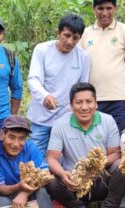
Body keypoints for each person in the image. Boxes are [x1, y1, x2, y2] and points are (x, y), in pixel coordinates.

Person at [46, 82, 125, 208]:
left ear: (96, 104)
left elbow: (115, 153)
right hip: (73, 182)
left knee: (123, 164)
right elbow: (51, 158)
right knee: (50, 180)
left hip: (100, 179)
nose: (84, 107)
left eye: (89, 101)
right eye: (79, 102)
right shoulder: (60, 124)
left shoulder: (107, 121)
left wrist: (96, 165)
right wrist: (62, 174)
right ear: (71, 106)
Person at [27, 14, 90, 156]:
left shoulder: (83, 57)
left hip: (66, 117)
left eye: (75, 38)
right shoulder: (42, 50)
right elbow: (33, 79)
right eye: (66, 35)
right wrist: (45, 96)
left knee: (63, 158)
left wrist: (74, 109)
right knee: (36, 156)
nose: (69, 41)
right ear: (58, 32)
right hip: (41, 116)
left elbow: (83, 88)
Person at [80, 0, 125, 132]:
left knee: (121, 138)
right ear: (94, 9)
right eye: (100, 8)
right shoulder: (85, 33)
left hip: (119, 98)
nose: (105, 13)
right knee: (96, 139)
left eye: (109, 8)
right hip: (92, 99)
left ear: (115, 8)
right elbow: (78, 64)